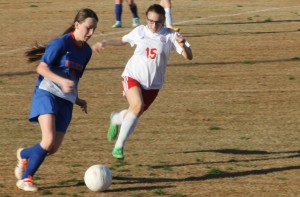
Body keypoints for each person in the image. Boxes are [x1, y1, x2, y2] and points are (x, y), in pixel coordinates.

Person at [92, 4, 192, 159]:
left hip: (153, 85)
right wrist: (104, 42)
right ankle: (119, 147)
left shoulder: (171, 35)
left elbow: (189, 56)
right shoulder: (140, 31)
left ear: (164, 21)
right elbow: (123, 40)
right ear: (146, 19)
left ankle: (116, 118)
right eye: (150, 21)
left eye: (158, 22)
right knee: (137, 106)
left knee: (134, 111)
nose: (153, 25)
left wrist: (183, 46)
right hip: (132, 76)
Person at [14, 8, 98, 192]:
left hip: (66, 101)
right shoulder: (61, 43)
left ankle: (24, 154)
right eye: (88, 28)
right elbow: (41, 68)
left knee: (52, 148)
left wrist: (78, 100)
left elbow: (73, 79)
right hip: (47, 94)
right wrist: (61, 81)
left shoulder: (87, 51)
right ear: (77, 25)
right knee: (48, 139)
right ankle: (26, 179)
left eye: (94, 29)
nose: (91, 33)